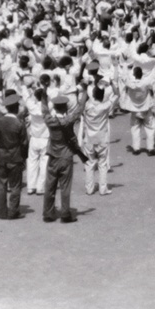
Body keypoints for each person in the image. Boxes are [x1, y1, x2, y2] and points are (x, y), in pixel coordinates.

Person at [42, 90, 87, 223]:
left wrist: (44, 96)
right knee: (65, 187)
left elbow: (44, 110)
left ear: (55, 108)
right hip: (66, 156)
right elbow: (79, 110)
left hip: (53, 156)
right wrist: (84, 94)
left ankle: (48, 213)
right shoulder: (68, 120)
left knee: (50, 186)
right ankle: (65, 213)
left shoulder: (50, 121)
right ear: (66, 107)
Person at [0, 93, 28, 219]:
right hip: (15, 156)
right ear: (16, 108)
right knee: (15, 186)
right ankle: (13, 211)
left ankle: (2, 212)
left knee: (1, 186)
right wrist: (24, 158)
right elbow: (24, 143)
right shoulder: (19, 124)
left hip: (1, 156)